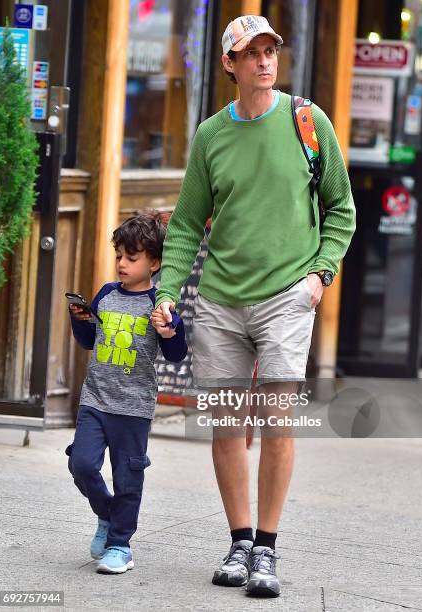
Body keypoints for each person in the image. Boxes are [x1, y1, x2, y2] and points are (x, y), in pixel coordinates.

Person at [151, 15, 356, 597]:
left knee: (275, 423)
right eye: (252, 53)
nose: (265, 61)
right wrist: (167, 292)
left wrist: (321, 275)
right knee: (226, 425)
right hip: (218, 301)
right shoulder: (211, 136)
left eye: (271, 51)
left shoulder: (307, 121)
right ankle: (239, 541)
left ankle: (266, 548)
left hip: (288, 296)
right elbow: (188, 224)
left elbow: (340, 207)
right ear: (229, 65)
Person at [66, 212, 187, 574]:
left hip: (133, 408)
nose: (121, 263)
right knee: (82, 464)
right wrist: (80, 319)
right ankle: (107, 513)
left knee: (128, 477)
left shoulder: (159, 305)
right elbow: (90, 342)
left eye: (131, 258)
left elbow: (178, 355)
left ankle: (120, 545)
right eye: (119, 255)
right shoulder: (105, 294)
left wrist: (170, 330)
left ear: (154, 262)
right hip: (95, 400)